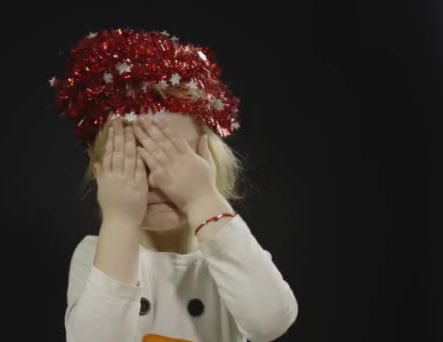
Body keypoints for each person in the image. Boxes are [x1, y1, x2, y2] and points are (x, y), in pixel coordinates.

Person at [51, 28, 298, 342]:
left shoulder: (227, 254)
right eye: (133, 161)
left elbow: (271, 322)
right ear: (102, 176)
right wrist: (120, 221)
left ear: (209, 161)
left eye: (171, 157)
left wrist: (200, 198)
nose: (154, 179)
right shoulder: (94, 253)